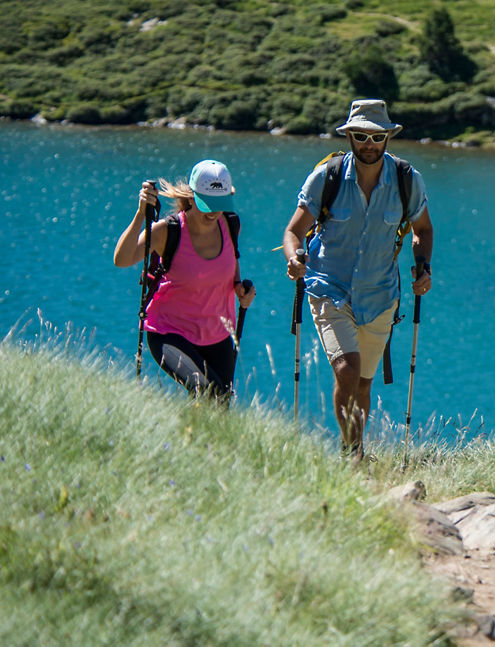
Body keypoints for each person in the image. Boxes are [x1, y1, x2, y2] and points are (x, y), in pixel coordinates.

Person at [283, 99, 433, 461]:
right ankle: (350, 453)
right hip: (328, 289)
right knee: (347, 370)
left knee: (364, 382)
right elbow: (293, 231)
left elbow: (423, 230)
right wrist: (294, 258)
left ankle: (356, 452)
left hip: (381, 296)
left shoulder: (406, 179)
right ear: (350, 136)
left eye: (376, 136)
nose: (369, 143)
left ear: (387, 138)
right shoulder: (327, 177)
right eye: (361, 135)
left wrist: (423, 266)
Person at [113, 159, 255, 400]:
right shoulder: (167, 231)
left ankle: (184, 437)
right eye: (207, 203)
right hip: (170, 333)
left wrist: (240, 288)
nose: (213, 212)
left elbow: (231, 266)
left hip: (218, 334)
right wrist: (140, 214)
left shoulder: (231, 225)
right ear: (192, 196)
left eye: (219, 204)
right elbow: (122, 259)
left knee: (220, 409)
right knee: (210, 394)